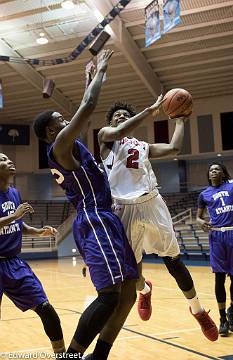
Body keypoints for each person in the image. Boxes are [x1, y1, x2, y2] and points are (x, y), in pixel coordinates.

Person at [33, 49, 138, 360]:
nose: (66, 121)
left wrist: (91, 78)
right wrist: (101, 72)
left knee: (128, 294)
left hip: (106, 218)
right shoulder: (60, 146)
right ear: (52, 131)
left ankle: (99, 355)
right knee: (109, 297)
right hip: (94, 220)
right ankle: (74, 356)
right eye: (60, 121)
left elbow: (82, 109)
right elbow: (88, 106)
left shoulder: (70, 144)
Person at [98, 100, 218, 341]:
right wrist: (147, 111)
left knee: (173, 261)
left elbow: (174, 148)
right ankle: (145, 289)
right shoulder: (106, 138)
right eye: (117, 116)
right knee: (134, 273)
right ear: (110, 123)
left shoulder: (143, 146)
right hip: (123, 208)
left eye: (125, 114)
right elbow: (120, 131)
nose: (121, 117)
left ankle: (198, 310)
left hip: (152, 202)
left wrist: (181, 121)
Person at [0, 152, 65, 354]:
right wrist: (14, 215)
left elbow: (18, 223)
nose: (9, 160)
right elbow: (14, 218)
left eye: (8, 158)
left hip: (13, 263)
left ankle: (63, 356)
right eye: (2, 159)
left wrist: (37, 231)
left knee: (45, 308)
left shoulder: (14, 193)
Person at [197, 163, 233, 337]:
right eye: (211, 169)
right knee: (219, 278)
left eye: (217, 169)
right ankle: (222, 319)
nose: (214, 171)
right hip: (216, 237)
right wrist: (200, 222)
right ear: (209, 174)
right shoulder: (204, 194)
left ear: (223, 173)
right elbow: (198, 217)